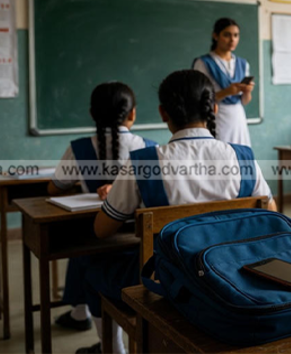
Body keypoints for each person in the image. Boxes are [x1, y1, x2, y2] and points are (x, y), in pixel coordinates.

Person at [75, 70, 273, 354]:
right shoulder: (243, 157)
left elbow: (102, 230)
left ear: (163, 113)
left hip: (169, 284)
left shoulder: (145, 163)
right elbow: (270, 214)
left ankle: (114, 349)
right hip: (233, 277)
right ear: (214, 109)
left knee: (93, 269)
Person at [48, 82, 156, 332]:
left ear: (92, 114)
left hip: (96, 235)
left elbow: (54, 188)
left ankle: (81, 313)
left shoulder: (79, 148)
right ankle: (79, 313)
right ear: (132, 113)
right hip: (139, 242)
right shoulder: (150, 148)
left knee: (80, 248)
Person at [192, 18, 254, 145]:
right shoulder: (203, 63)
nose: (232, 40)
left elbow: (244, 101)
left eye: (236, 35)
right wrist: (227, 92)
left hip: (238, 119)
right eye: (227, 35)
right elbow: (199, 98)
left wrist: (247, 92)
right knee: (220, 152)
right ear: (215, 36)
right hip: (216, 117)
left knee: (240, 151)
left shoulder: (242, 64)